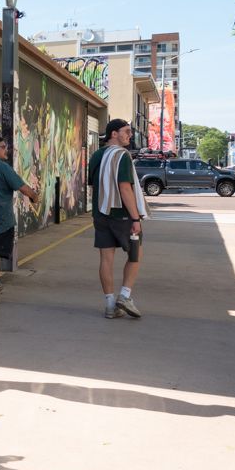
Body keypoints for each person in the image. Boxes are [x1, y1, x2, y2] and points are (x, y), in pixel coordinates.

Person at [88, 119, 149, 320]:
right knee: (135, 254)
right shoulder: (122, 156)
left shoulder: (96, 155)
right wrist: (135, 217)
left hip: (100, 213)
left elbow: (92, 183)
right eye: (126, 132)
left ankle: (109, 304)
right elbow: (125, 188)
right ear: (114, 134)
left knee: (106, 259)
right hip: (122, 215)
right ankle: (124, 296)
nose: (129, 136)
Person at [0, 136, 38, 305]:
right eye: (3, 147)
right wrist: (34, 197)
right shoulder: (2, 167)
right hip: (1, 219)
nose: (6, 150)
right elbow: (22, 187)